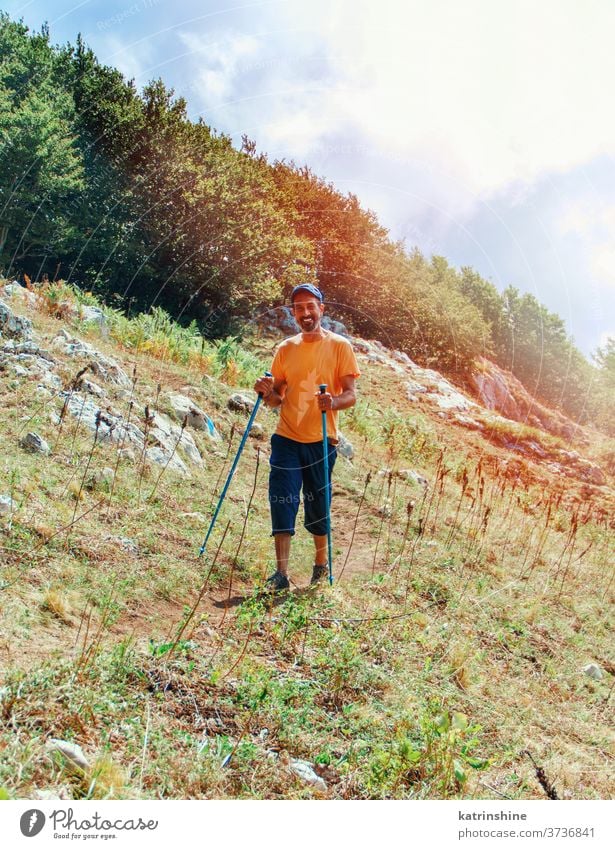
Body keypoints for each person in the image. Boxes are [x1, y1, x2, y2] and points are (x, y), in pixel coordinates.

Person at [253, 283, 360, 591]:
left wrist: (334, 402)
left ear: (321, 309)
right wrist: (265, 390)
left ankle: (320, 566)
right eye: (299, 308)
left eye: (310, 306)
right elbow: (276, 398)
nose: (305, 313)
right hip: (286, 437)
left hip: (322, 440)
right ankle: (281, 575)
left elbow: (351, 395)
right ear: (294, 313)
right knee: (282, 500)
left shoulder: (340, 346)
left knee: (317, 504)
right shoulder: (285, 349)